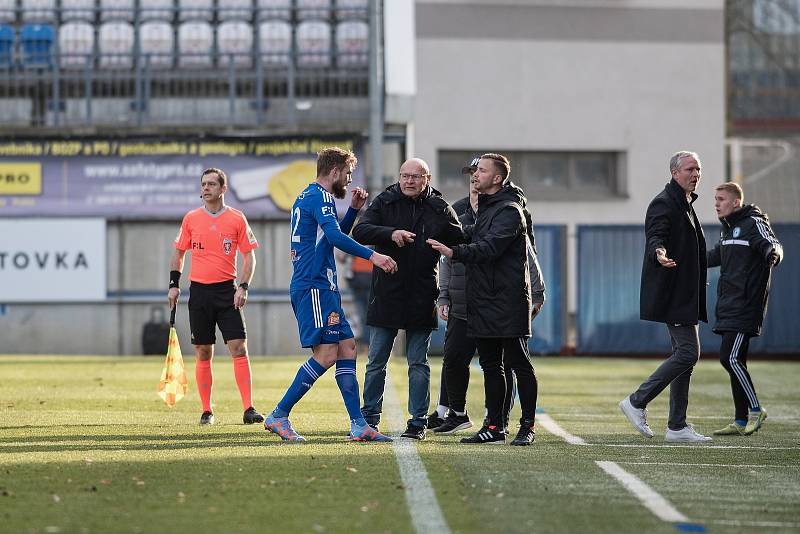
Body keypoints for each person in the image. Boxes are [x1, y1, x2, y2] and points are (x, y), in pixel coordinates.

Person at [264, 147, 397, 442]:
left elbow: (328, 240)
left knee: (347, 346)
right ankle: (279, 415)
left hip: (322, 285)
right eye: (347, 174)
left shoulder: (309, 196)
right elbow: (335, 238)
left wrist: (353, 211)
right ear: (335, 171)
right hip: (313, 285)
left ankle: (358, 425)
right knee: (326, 355)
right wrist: (372, 256)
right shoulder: (320, 197)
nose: (349, 181)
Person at [428, 153, 539, 446]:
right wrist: (437, 226)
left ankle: (527, 426)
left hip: (508, 301)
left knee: (519, 364)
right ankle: (494, 427)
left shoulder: (510, 210)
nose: (475, 175)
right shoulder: (489, 209)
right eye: (475, 171)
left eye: (481, 171)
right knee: (491, 365)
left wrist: (454, 252)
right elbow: (469, 232)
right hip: (483, 300)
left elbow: (489, 247)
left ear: (498, 178)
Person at [352, 158, 464, 440]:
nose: (409, 181)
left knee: (418, 363)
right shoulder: (385, 201)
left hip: (422, 294)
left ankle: (417, 422)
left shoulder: (439, 208)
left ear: (427, 178)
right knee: (376, 360)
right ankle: (369, 419)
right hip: (386, 293)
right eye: (404, 175)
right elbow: (360, 231)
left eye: (415, 176)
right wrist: (391, 233)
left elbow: (461, 240)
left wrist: (448, 254)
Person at [619, 150, 712, 443]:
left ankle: (677, 426)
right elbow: (656, 236)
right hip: (674, 294)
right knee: (688, 353)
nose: (695, 175)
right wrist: (659, 254)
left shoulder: (685, 202)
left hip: (685, 293)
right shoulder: (664, 202)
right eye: (689, 170)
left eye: (698, 169)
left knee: (684, 358)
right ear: (674, 173)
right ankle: (636, 401)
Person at [167, 167, 263, 426]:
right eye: (203, 184)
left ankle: (248, 409)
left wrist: (243, 286)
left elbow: (249, 256)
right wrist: (174, 284)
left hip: (226, 292)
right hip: (199, 293)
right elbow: (178, 253)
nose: (206, 188)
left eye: (211, 184)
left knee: (239, 348)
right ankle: (207, 410)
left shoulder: (237, 218)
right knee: (203, 352)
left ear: (223, 189)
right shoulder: (191, 219)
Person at [707, 182, 783, 436]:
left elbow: (773, 245)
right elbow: (715, 256)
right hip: (728, 304)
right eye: (715, 199)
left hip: (746, 304)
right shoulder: (727, 230)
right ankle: (740, 420)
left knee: (729, 358)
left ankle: (755, 410)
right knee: (734, 360)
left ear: (735, 202)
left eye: (720, 199)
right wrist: (684, 261)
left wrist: (773, 253)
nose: (716, 203)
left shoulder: (753, 222)